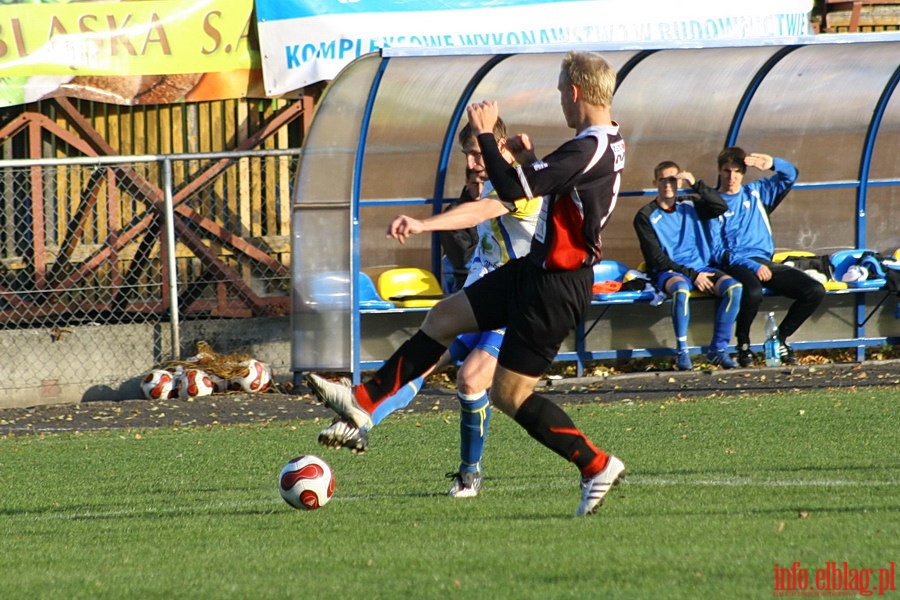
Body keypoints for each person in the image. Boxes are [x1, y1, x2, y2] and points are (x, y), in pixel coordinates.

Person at [306, 50, 626, 517]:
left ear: (574, 92)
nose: (561, 100)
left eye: (561, 92)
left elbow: (515, 192)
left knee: (508, 395)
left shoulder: (587, 147)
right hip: (534, 272)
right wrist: (532, 160)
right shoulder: (605, 140)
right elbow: (559, 188)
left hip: (554, 286)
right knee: (442, 317)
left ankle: (596, 465)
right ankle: (362, 402)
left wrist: (485, 132)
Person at [318, 117, 543, 499]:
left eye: (477, 153)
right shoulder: (489, 186)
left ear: (501, 148)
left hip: (520, 305)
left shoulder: (519, 189)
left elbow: (477, 214)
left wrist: (422, 225)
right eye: (467, 156)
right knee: (424, 359)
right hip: (484, 301)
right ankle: (363, 419)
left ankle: (469, 474)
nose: (472, 163)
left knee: (471, 379)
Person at [714, 147, 825, 367]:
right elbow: (716, 251)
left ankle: (780, 339)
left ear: (744, 172)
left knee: (814, 290)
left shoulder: (756, 192)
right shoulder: (713, 202)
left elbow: (791, 175)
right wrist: (751, 266)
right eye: (726, 171)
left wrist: (773, 163)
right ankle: (743, 345)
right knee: (753, 291)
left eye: (736, 171)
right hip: (734, 262)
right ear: (719, 171)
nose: (731, 177)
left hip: (763, 261)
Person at [634, 161, 743, 371]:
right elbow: (657, 259)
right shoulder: (645, 215)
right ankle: (682, 350)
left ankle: (717, 351)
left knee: (734, 288)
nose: (668, 184)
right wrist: (693, 276)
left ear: (679, 181)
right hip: (671, 271)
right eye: (663, 179)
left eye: (673, 179)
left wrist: (695, 184)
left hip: (701, 268)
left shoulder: (690, 203)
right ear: (655, 182)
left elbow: (720, 206)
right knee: (680, 289)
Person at [440, 168, 482, 293]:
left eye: (485, 183)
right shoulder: (454, 213)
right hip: (463, 281)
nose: (480, 190)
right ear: (467, 183)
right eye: (475, 184)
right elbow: (464, 260)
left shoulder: (501, 207)